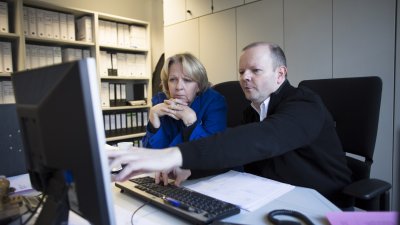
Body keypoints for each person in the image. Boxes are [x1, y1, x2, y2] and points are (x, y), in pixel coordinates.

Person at [109, 42, 352, 208]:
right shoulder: (252, 112)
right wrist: (193, 169)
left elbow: (262, 140)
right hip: (273, 199)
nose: (245, 77)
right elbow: (239, 159)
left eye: (255, 70)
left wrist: (174, 156)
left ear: (280, 74)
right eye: (242, 71)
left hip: (322, 204)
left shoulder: (304, 103)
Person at [142, 52, 230, 180]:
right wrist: (153, 122)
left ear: (199, 85)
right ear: (167, 84)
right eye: (173, 80)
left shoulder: (214, 103)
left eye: (187, 80)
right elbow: (152, 156)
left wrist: (191, 123)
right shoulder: (161, 102)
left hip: (209, 178)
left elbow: (213, 154)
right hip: (169, 178)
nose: (178, 87)